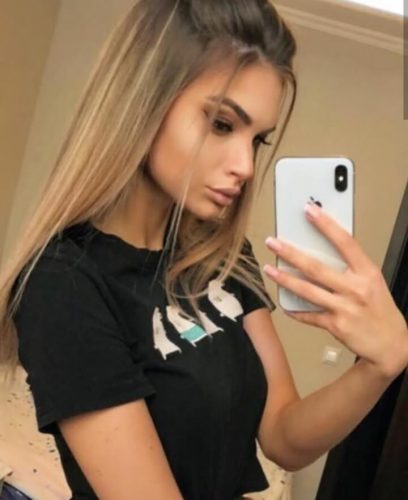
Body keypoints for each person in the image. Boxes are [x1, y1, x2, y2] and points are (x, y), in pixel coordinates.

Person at [0, 0, 407, 499]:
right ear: (144, 100)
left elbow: (283, 437)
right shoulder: (61, 283)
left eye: (257, 140)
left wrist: (379, 365)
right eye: (221, 124)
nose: (245, 166)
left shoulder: (225, 255)